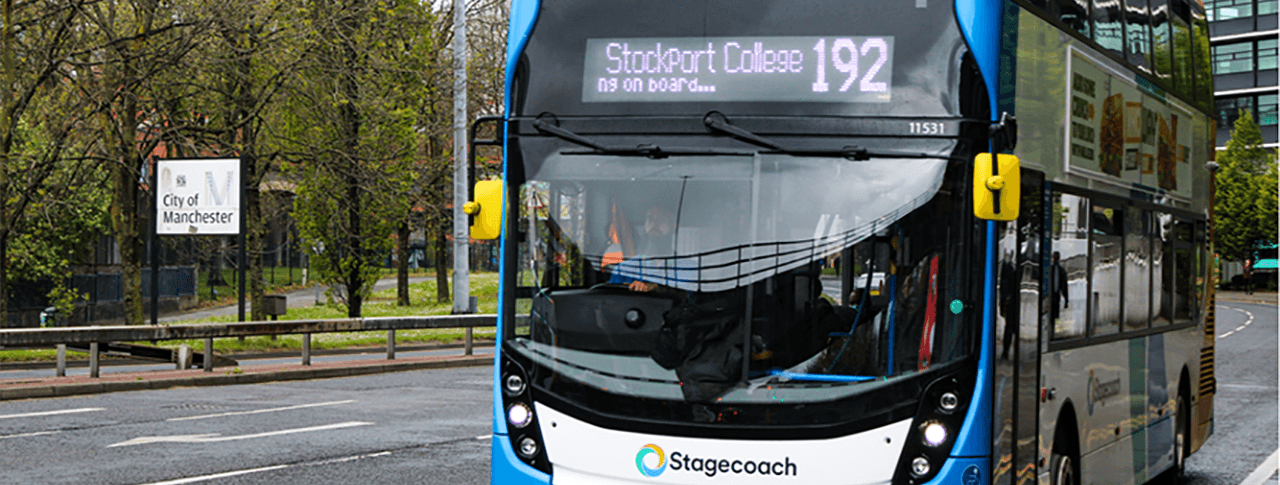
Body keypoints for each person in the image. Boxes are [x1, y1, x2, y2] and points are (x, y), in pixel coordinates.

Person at [609, 205, 677, 292]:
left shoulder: (689, 270)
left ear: (673, 227)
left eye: (662, 220)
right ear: (644, 227)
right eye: (650, 219)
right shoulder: (623, 271)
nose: (654, 225)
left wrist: (658, 288)